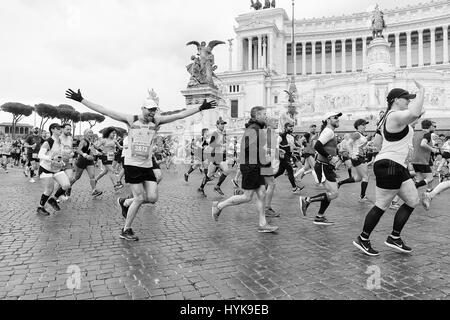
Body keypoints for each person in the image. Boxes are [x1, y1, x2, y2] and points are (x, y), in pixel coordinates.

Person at [66, 88, 216, 241]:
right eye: (149, 110)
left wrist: (200, 108)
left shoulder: (157, 121)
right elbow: (105, 110)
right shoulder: (131, 119)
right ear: (143, 108)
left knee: (152, 198)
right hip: (132, 165)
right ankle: (126, 229)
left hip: (147, 165)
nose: (152, 113)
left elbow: (178, 115)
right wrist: (81, 100)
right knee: (139, 198)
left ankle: (125, 203)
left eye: (154, 110)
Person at [353, 82, 424, 256]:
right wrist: (422, 91)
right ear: (395, 100)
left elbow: (377, 144)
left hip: (397, 165)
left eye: (410, 98)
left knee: (413, 200)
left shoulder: (388, 118)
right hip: (389, 165)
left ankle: (394, 237)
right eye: (406, 98)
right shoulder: (392, 116)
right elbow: (415, 113)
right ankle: (363, 239)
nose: (408, 101)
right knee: (382, 205)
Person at [211, 106, 278, 233]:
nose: (266, 116)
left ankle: (263, 224)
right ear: (257, 116)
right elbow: (247, 147)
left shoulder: (257, 128)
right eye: (264, 114)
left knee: (262, 193)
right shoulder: (253, 129)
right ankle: (218, 206)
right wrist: (263, 154)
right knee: (247, 197)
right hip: (250, 166)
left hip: (256, 165)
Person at [298, 112, 342, 225]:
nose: (338, 119)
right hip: (323, 165)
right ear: (328, 120)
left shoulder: (329, 131)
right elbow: (318, 145)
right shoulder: (328, 131)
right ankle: (307, 200)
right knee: (334, 193)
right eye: (335, 117)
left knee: (330, 192)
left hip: (326, 166)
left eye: (338, 117)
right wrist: (330, 157)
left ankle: (319, 216)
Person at [36, 123, 71, 216]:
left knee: (66, 184)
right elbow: (40, 155)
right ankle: (40, 207)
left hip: (56, 168)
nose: (61, 130)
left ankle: (53, 199)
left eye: (61, 128)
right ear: (52, 130)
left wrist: (62, 162)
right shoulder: (48, 141)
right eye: (58, 129)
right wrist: (51, 159)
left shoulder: (59, 141)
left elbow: (58, 154)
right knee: (49, 189)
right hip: (45, 169)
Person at [337, 119, 371, 202]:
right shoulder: (356, 134)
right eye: (363, 125)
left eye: (365, 125)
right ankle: (362, 197)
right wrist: (352, 154)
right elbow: (348, 143)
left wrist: (368, 146)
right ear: (358, 126)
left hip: (360, 156)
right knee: (366, 177)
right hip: (357, 157)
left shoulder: (361, 135)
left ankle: (340, 183)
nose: (365, 126)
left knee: (358, 178)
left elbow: (360, 146)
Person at [198, 118, 230, 197]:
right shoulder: (215, 133)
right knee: (223, 171)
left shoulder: (223, 133)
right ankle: (213, 187)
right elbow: (211, 145)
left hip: (219, 156)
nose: (223, 125)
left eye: (224, 124)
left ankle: (205, 187)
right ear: (217, 125)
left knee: (211, 175)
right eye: (221, 124)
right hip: (215, 156)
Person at [70, 129, 103, 197]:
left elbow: (95, 147)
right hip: (82, 160)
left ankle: (94, 190)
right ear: (85, 134)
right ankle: (68, 187)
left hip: (90, 160)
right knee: (77, 177)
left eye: (92, 132)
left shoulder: (90, 141)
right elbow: (78, 150)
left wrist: (102, 152)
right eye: (89, 132)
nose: (91, 134)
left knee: (92, 175)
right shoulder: (83, 141)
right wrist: (85, 155)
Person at [274, 122, 302, 193]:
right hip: (283, 156)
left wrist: (297, 149)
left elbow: (291, 147)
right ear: (285, 128)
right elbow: (275, 144)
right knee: (290, 170)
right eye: (290, 127)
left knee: (281, 171)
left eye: (292, 127)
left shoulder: (292, 136)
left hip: (288, 155)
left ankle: (267, 181)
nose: (291, 128)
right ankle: (294, 187)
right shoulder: (282, 135)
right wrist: (280, 151)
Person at [411, 119, 438, 190]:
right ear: (430, 126)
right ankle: (413, 187)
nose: (434, 127)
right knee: (430, 178)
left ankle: (410, 198)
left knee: (419, 179)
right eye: (434, 126)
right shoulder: (427, 134)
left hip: (415, 160)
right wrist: (433, 149)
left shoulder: (416, 134)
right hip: (422, 160)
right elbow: (423, 144)